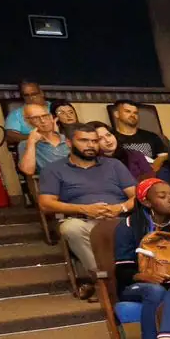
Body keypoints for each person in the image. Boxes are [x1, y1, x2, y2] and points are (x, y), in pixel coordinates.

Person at [38, 122, 138, 298]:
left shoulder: (113, 165)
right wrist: (84, 209)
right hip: (83, 220)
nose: (91, 145)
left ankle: (121, 279)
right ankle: (103, 278)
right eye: (84, 141)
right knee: (70, 228)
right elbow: (46, 203)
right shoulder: (54, 170)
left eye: (94, 141)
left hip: (120, 219)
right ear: (69, 143)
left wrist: (119, 207)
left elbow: (138, 196)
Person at [113, 179, 170, 339]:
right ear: (146, 202)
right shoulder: (128, 226)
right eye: (162, 196)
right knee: (154, 291)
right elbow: (122, 269)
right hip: (136, 286)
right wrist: (144, 276)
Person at [16, 102, 68, 176]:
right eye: (36, 118)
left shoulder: (68, 139)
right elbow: (28, 171)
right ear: (28, 122)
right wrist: (31, 143)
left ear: (51, 117)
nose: (43, 121)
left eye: (45, 116)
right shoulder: (25, 144)